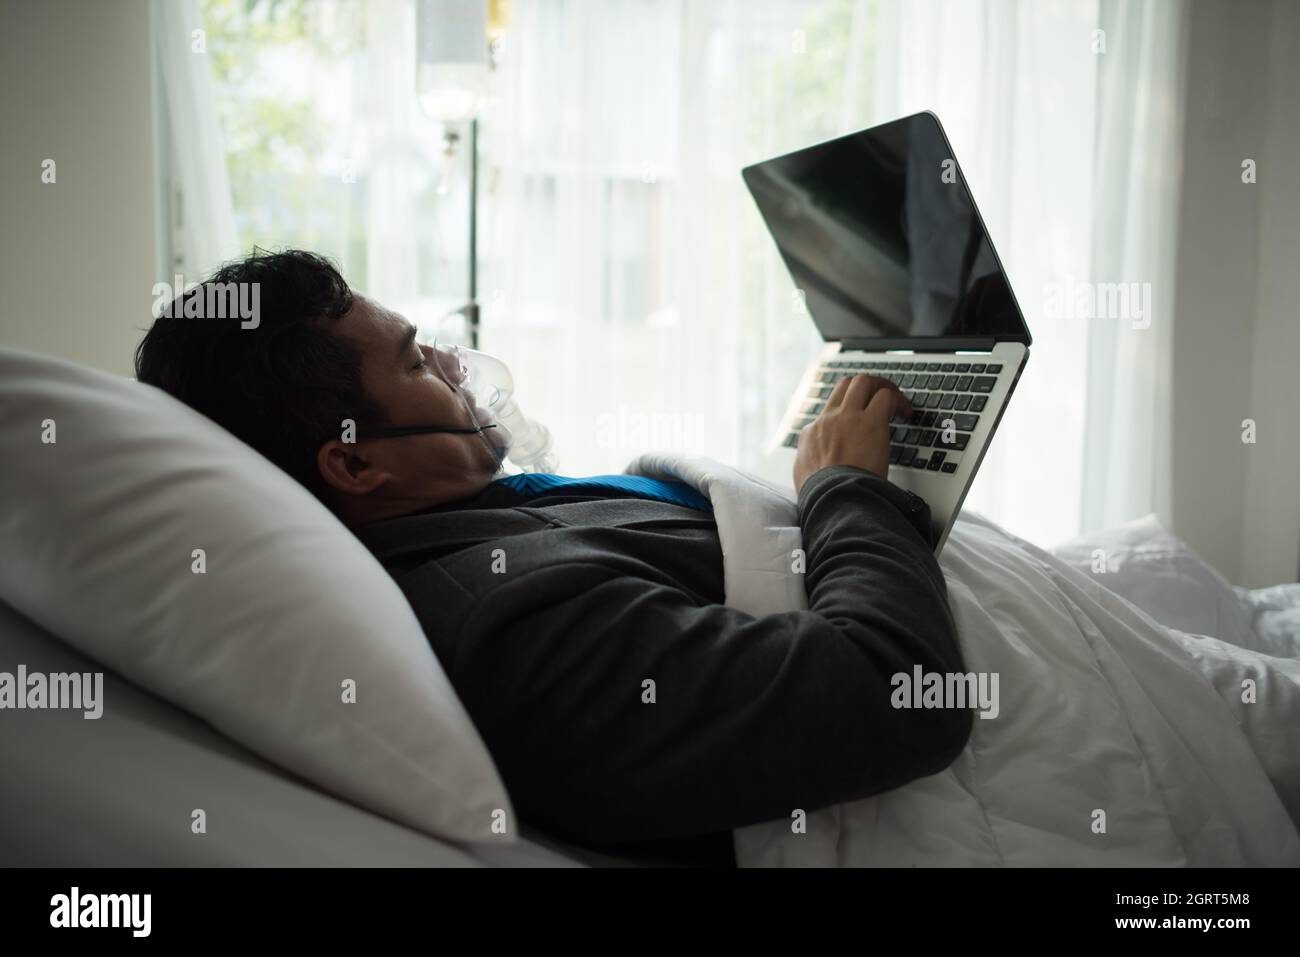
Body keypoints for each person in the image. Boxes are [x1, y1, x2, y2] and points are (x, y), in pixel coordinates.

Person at [136, 249, 971, 866]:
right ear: (356, 461)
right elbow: (893, 690)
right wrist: (844, 488)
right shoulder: (511, 625)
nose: (455, 364)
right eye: (416, 361)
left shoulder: (480, 514)